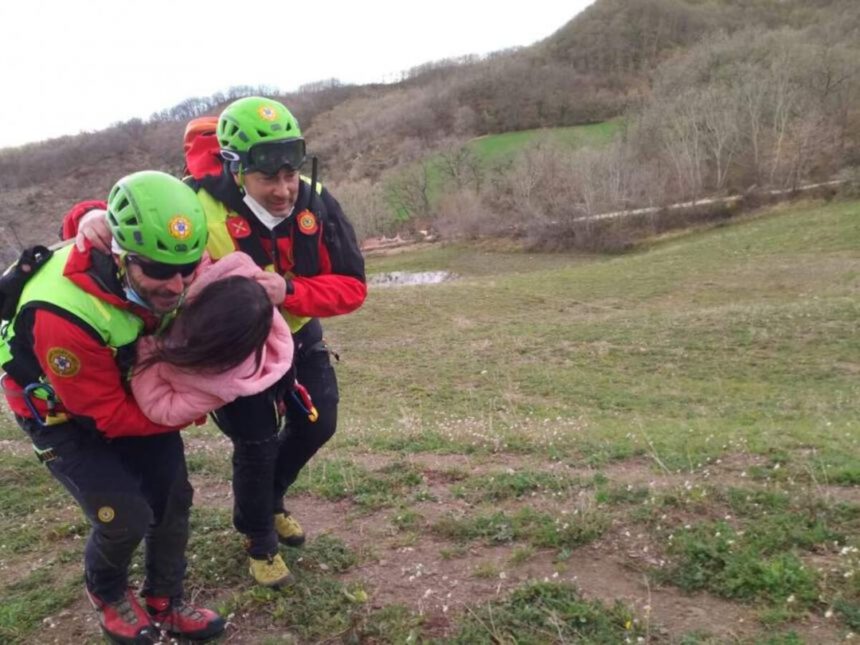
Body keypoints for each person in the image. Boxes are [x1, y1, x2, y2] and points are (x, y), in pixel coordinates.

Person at [68, 96, 367, 587]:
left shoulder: (316, 200)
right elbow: (133, 219)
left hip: (295, 331)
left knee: (319, 423)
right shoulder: (196, 202)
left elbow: (354, 286)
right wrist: (87, 218)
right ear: (234, 166)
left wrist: (291, 291)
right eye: (269, 178)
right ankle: (257, 536)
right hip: (229, 348)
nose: (284, 190)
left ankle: (269, 501)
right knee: (256, 442)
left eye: (291, 175)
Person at [0, 171, 225, 644]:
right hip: (60, 410)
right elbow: (104, 416)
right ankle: (108, 594)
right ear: (120, 257)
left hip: (127, 386)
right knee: (123, 515)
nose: (177, 284)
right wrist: (189, 408)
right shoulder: (61, 314)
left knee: (173, 497)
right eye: (159, 272)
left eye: (187, 268)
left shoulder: (169, 255)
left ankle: (166, 597)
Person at [130, 252, 295, 428]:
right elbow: (195, 257)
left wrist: (145, 352)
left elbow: (164, 410)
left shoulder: (222, 382)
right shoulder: (223, 284)